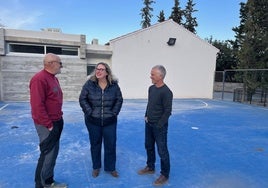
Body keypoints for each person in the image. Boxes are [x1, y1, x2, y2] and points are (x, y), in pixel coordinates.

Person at [79, 62, 123, 178]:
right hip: (93, 121)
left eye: (101, 69)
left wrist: (114, 113)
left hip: (110, 121)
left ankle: (110, 168)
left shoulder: (114, 85)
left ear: (107, 72)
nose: (98, 71)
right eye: (97, 69)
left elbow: (119, 100)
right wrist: (90, 112)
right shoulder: (89, 84)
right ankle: (96, 167)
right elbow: (82, 99)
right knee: (95, 144)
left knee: (110, 144)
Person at [29, 53, 67, 188]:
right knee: (47, 154)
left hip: (56, 121)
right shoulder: (39, 79)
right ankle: (40, 185)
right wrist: (49, 125)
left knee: (53, 153)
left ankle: (49, 181)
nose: (61, 65)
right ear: (51, 63)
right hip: (47, 125)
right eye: (60, 63)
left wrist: (58, 120)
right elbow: (37, 106)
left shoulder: (53, 78)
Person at [138, 65, 173, 186]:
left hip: (159, 127)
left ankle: (165, 174)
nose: (150, 76)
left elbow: (167, 111)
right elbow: (150, 104)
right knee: (149, 146)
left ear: (160, 76)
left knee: (162, 150)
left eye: (153, 74)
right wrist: (146, 115)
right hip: (149, 124)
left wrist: (159, 125)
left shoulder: (167, 92)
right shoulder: (151, 88)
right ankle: (150, 167)